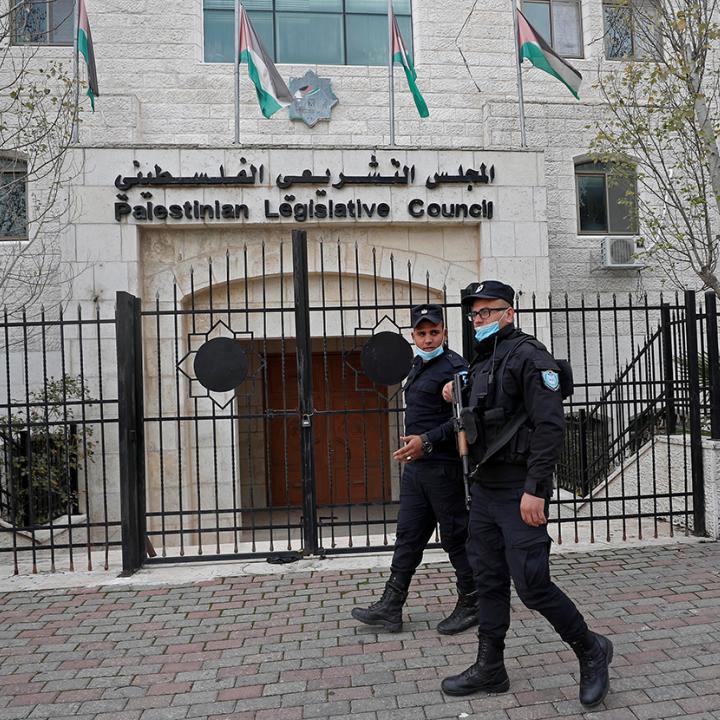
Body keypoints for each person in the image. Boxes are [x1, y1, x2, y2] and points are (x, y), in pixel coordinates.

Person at [439, 280, 613, 709]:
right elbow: (483, 419)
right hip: (485, 489)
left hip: (520, 491)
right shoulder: (482, 363)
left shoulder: (531, 357)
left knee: (532, 585)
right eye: (474, 314)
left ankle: (591, 650)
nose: (478, 320)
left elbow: (551, 426)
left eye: (487, 312)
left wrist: (536, 489)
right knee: (488, 581)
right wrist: (454, 394)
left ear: (509, 312)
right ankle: (490, 667)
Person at [351, 303, 478, 635]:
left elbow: (463, 421)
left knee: (454, 538)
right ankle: (391, 607)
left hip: (444, 468)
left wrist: (427, 441)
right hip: (418, 470)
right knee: (408, 537)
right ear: (413, 336)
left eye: (434, 332)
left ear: (444, 333)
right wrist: (418, 447)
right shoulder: (417, 365)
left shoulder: (456, 368)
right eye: (421, 333)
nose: (427, 339)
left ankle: (472, 602)